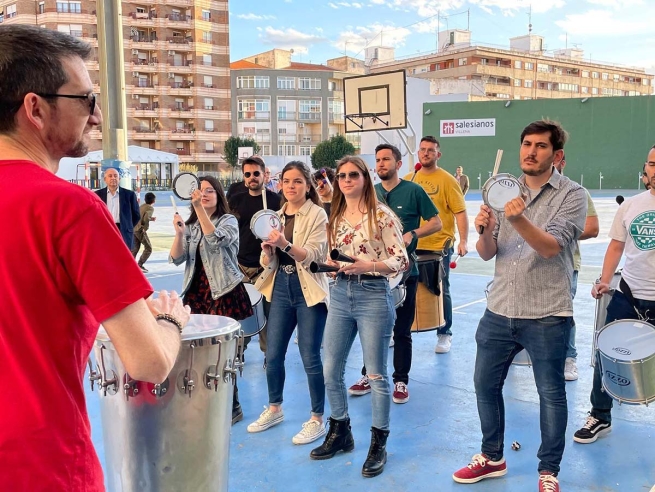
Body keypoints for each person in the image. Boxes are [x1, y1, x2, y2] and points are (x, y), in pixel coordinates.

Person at [0, 25, 189, 491]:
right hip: (43, 466)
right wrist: (170, 323)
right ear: (35, 108)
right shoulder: (69, 207)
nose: (98, 115)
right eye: (86, 100)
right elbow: (149, 363)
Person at [452, 120, 587, 492]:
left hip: (546, 312)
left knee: (551, 393)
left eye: (541, 146)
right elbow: (486, 253)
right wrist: (483, 230)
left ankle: (548, 471)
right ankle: (492, 457)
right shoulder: (502, 191)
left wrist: (517, 218)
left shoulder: (572, 196)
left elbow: (549, 247)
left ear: (556, 155)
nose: (531, 151)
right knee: (484, 384)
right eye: (526, 144)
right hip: (499, 308)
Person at [310, 156, 408, 478]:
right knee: (330, 369)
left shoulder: (382, 215)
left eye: (354, 175)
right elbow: (332, 254)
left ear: (365, 179)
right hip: (340, 295)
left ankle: (378, 443)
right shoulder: (335, 215)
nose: (347, 180)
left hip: (372, 295)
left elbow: (401, 260)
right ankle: (341, 433)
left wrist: (368, 266)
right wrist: (332, 265)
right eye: (342, 176)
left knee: (377, 375)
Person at [573, 145, 655, 445]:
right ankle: (600, 415)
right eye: (653, 164)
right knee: (606, 354)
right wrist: (605, 280)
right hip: (628, 295)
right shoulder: (631, 205)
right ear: (645, 168)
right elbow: (616, 247)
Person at [348, 144, 442, 404]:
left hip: (404, 272)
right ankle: (369, 375)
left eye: (386, 159)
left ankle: (401, 380)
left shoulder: (414, 191)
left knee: (402, 329)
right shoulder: (370, 193)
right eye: (377, 160)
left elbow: (437, 222)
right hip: (373, 274)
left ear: (399, 164)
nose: (381, 164)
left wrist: (414, 233)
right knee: (372, 329)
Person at [247, 161, 329, 445]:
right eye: (286, 181)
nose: (291, 186)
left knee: (310, 357)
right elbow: (268, 261)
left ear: (308, 185)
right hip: (281, 287)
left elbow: (315, 256)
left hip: (308, 290)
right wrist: (269, 253)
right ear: (279, 185)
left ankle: (317, 417)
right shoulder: (275, 215)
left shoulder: (318, 214)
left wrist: (283, 244)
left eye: (297, 181)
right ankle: (274, 408)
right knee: (273, 355)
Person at [169, 175, 253, 424]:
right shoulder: (192, 225)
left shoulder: (228, 220)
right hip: (197, 294)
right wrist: (179, 233)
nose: (203, 195)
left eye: (209, 191)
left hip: (223, 292)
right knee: (197, 353)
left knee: (221, 353)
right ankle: (204, 402)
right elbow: (176, 259)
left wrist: (197, 209)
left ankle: (232, 405)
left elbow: (215, 240)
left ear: (218, 196)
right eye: (199, 191)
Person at [406, 136, 469, 354]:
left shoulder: (448, 180)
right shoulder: (409, 179)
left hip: (439, 245)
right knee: (402, 287)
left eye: (430, 150)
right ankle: (400, 330)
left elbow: (460, 212)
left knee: (441, 288)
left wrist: (464, 240)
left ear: (438, 154)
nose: (426, 153)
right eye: (422, 150)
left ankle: (444, 333)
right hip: (411, 244)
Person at [228, 156, 282, 351]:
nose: (252, 178)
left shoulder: (276, 201)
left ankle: (269, 354)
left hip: (266, 267)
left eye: (256, 173)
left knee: (267, 315)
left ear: (264, 174)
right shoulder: (235, 201)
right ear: (244, 177)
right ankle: (238, 352)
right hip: (240, 267)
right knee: (242, 314)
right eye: (248, 174)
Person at [554, 153, 599, 381]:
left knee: (563, 313)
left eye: (554, 160)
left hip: (566, 263)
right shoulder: (526, 192)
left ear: (562, 162)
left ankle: (569, 358)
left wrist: (557, 233)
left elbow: (592, 228)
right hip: (532, 263)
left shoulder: (576, 192)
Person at [95, 167, 140, 249]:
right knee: (106, 256)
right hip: (105, 229)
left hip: (123, 230)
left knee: (123, 258)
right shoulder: (98, 195)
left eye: (115, 176)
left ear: (119, 178)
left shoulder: (129, 195)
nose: (113, 178)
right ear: (105, 179)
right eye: (110, 176)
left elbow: (136, 215)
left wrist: (127, 225)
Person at [132, 191, 157, 273]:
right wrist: (144, 228)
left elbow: (141, 216)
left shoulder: (142, 206)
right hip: (140, 230)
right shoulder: (150, 208)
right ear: (154, 201)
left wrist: (151, 218)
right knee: (148, 248)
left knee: (135, 248)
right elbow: (146, 218)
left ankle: (130, 264)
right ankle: (140, 264)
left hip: (134, 228)